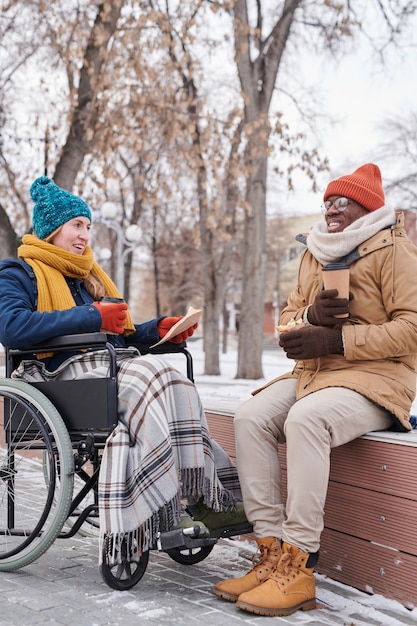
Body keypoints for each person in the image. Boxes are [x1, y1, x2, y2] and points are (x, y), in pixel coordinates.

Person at [0, 176, 247, 564]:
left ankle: (201, 495)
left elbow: (118, 336)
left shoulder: (89, 279)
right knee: (146, 376)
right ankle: (162, 505)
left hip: (105, 368)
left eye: (88, 226)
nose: (85, 234)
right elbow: (12, 328)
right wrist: (89, 316)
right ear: (52, 229)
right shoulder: (18, 273)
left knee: (174, 377)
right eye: (76, 225)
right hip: (54, 375)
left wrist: (159, 330)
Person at [212, 163, 417, 617]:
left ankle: (299, 564)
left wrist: (338, 340)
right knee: (251, 416)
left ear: (365, 208)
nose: (331, 209)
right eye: (327, 202)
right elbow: (287, 317)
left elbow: (413, 329)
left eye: (342, 202)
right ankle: (269, 554)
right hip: (315, 375)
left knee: (306, 419)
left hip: (378, 380)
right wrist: (310, 321)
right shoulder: (314, 251)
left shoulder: (393, 250)